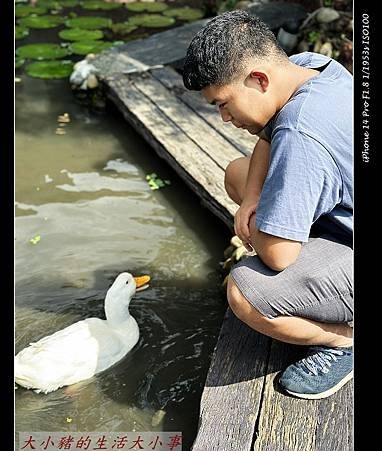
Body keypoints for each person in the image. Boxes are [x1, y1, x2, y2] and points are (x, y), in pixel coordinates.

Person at [182, 10, 353, 399]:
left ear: (259, 79)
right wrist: (255, 198)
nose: (224, 118)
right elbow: (268, 138)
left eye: (224, 104)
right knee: (238, 174)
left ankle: (343, 341)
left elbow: (277, 256)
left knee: (245, 293)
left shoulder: (301, 132)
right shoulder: (310, 67)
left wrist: (257, 234)